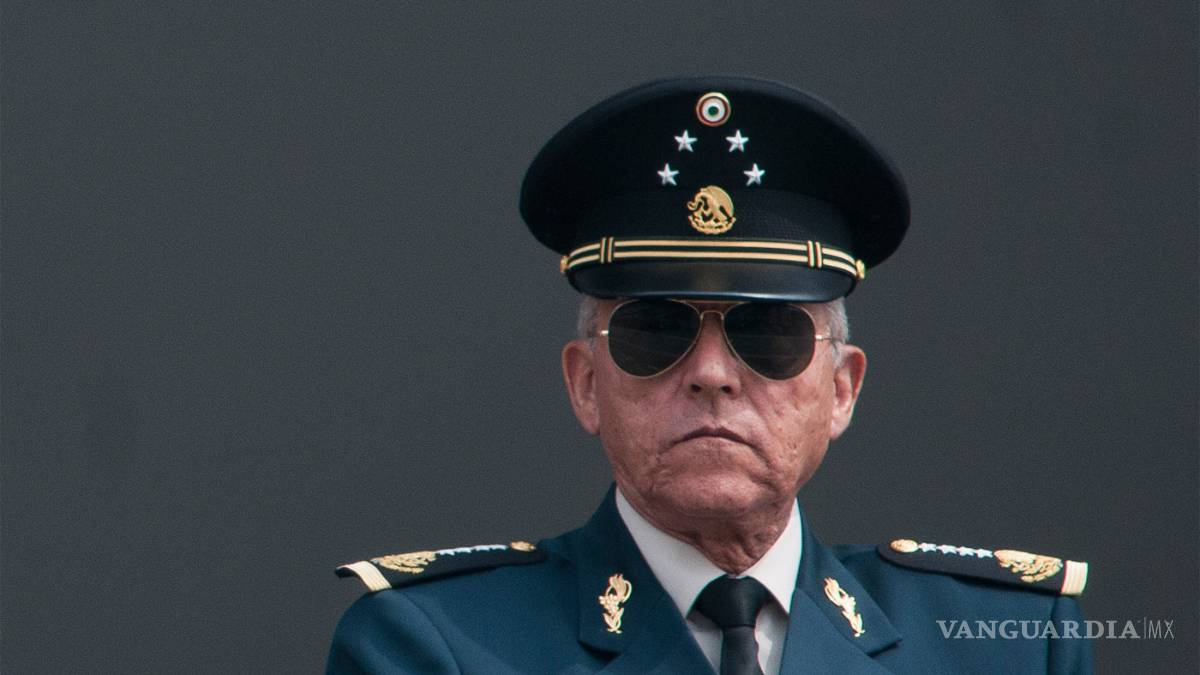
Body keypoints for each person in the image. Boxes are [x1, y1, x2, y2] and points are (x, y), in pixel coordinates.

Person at [326, 77, 1092, 674]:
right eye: (655, 330)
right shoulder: (435, 644)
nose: (713, 372)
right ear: (585, 384)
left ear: (842, 389)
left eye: (768, 333)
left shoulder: (1010, 645)